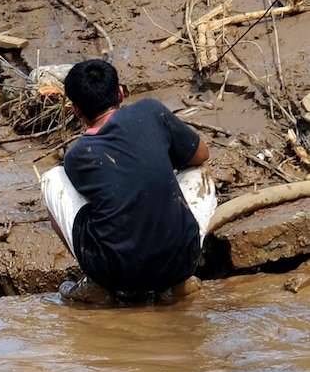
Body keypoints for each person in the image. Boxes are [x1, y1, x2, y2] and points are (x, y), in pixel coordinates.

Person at [40, 59, 218, 303]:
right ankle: (178, 285)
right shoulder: (151, 111)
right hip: (181, 263)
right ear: (121, 93)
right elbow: (201, 155)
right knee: (199, 171)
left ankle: (96, 285)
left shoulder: (78, 155)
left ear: (76, 111)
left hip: (113, 274)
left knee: (51, 178)